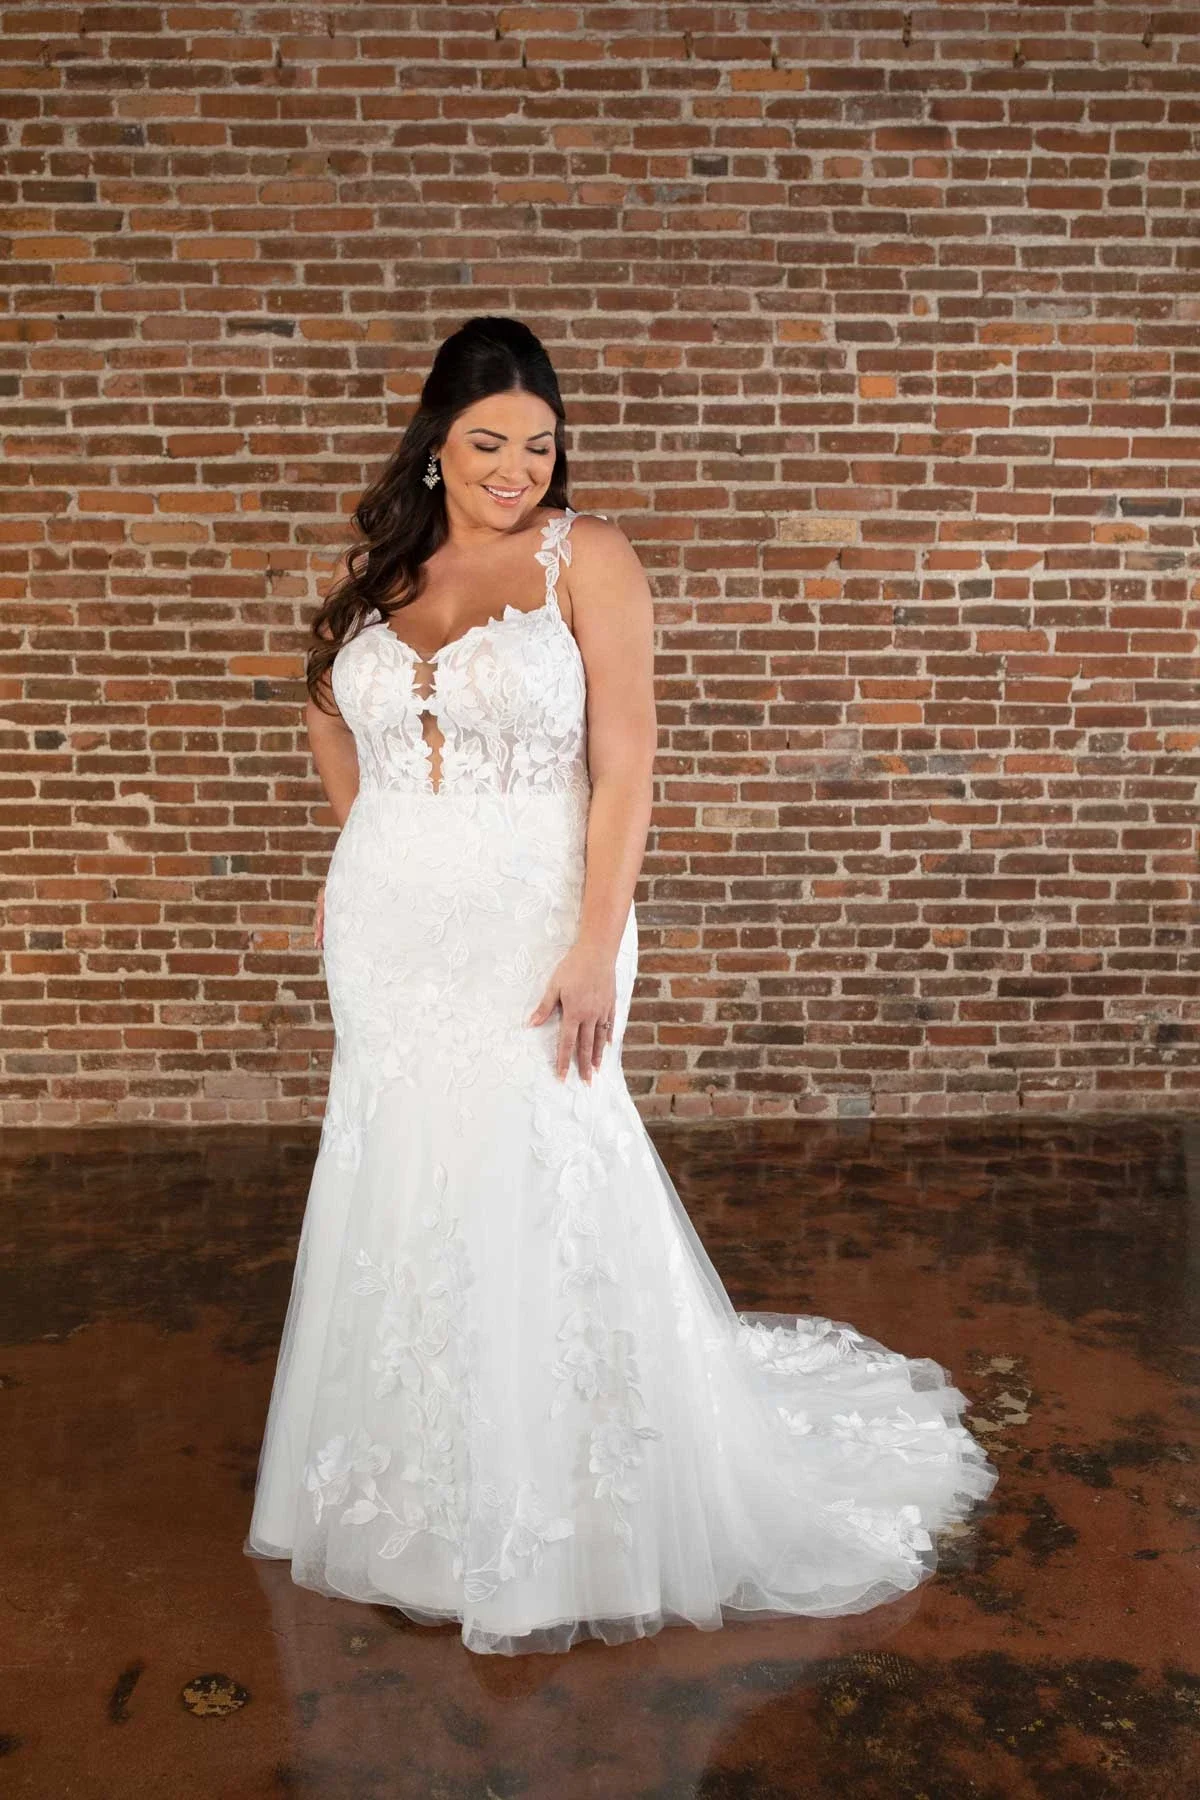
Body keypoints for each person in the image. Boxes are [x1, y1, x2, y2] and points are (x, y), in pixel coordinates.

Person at [243, 315, 998, 1657]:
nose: (513, 470)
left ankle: (563, 1495)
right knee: (404, 1168)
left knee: (544, 1161)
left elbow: (629, 764)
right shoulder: (385, 570)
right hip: (393, 932)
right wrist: (364, 845)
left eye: (537, 445)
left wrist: (599, 938)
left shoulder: (585, 557)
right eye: (486, 444)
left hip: (544, 921)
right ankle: (417, 1477)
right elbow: (329, 705)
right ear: (435, 443)